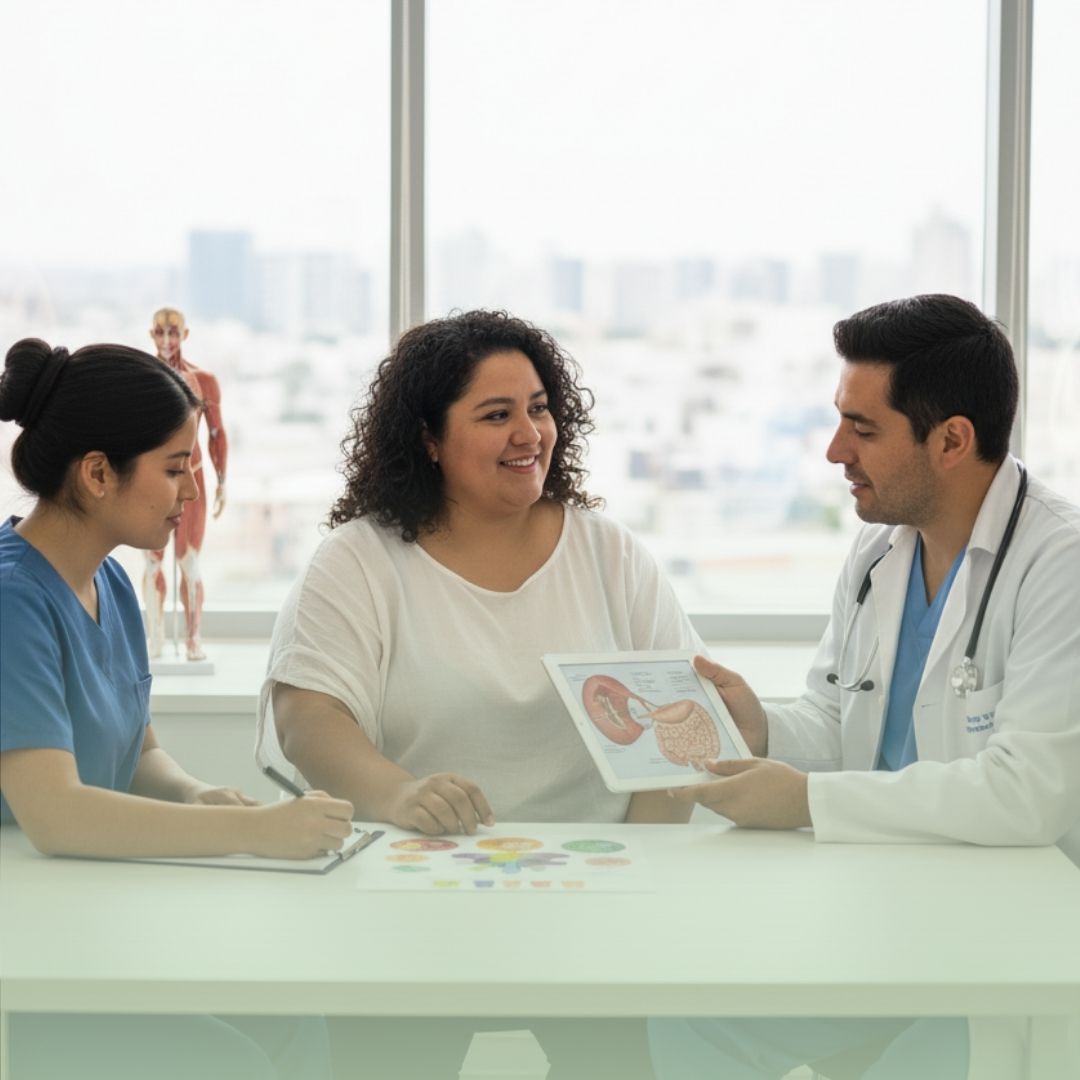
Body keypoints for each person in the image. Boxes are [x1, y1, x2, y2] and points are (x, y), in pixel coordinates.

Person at [649, 294, 1080, 1079]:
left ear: (952, 441)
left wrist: (806, 802)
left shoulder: (1060, 565)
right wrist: (762, 729)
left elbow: (1028, 795)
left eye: (864, 429)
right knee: (688, 1013)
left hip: (1003, 938)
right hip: (880, 906)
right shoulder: (880, 552)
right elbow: (839, 720)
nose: (834, 451)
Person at [0, 337, 353, 1080]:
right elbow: (55, 815)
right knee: (238, 1063)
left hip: (87, 924)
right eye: (174, 467)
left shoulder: (110, 582)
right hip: (27, 960)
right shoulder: (12, 603)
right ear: (98, 473)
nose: (193, 489)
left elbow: (139, 752)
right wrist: (254, 831)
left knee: (301, 1018)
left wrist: (197, 793)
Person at [257, 309, 701, 834]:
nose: (529, 434)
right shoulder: (356, 560)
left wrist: (641, 853)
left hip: (599, 863)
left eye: (538, 408)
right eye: (496, 416)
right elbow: (307, 720)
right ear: (430, 439)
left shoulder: (610, 552)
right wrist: (399, 795)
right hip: (417, 860)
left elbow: (684, 718)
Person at [144, 306, 228, 661]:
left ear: (184, 335)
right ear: (152, 335)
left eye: (173, 333)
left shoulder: (202, 380)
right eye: (161, 333)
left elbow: (216, 433)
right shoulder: (142, 376)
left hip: (191, 476)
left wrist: (222, 480)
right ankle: (156, 639)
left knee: (189, 561)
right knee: (152, 560)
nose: (167, 340)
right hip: (151, 479)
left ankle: (193, 640)